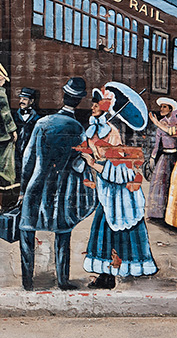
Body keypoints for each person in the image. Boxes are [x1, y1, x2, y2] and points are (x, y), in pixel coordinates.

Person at [17, 77, 96, 290]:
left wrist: (23, 189)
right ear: (79, 101)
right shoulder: (78, 129)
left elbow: (28, 158)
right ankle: (62, 280)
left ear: (63, 96)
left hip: (36, 185)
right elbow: (79, 165)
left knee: (27, 231)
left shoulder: (42, 123)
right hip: (62, 189)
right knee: (62, 233)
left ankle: (27, 281)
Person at [81, 86, 158, 289]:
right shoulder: (95, 129)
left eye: (97, 104)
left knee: (114, 232)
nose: (93, 107)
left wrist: (92, 163)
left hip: (120, 193)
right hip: (106, 190)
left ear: (106, 107)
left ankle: (111, 275)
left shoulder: (113, 133)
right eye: (93, 103)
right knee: (103, 232)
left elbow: (117, 170)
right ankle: (107, 275)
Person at [147, 97, 177, 222]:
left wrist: (156, 123)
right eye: (161, 106)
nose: (161, 109)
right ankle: (158, 214)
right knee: (159, 183)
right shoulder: (161, 122)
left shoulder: (175, 121)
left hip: (175, 156)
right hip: (165, 156)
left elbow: (172, 132)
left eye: (165, 107)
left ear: (170, 109)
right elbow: (157, 142)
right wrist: (152, 157)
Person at [13, 87, 40, 178]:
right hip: (15, 151)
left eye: (24, 99)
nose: (21, 101)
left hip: (30, 151)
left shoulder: (38, 119)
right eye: (20, 98)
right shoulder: (13, 116)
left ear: (31, 101)